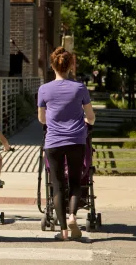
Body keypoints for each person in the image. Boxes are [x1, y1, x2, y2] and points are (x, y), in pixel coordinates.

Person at [37, 47, 96, 241]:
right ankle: (72, 216)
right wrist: (85, 122)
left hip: (53, 141)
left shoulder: (44, 89)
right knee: (75, 181)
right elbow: (91, 117)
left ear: (52, 66)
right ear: (70, 65)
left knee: (57, 185)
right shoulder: (79, 88)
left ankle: (63, 231)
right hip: (76, 140)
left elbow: (42, 119)